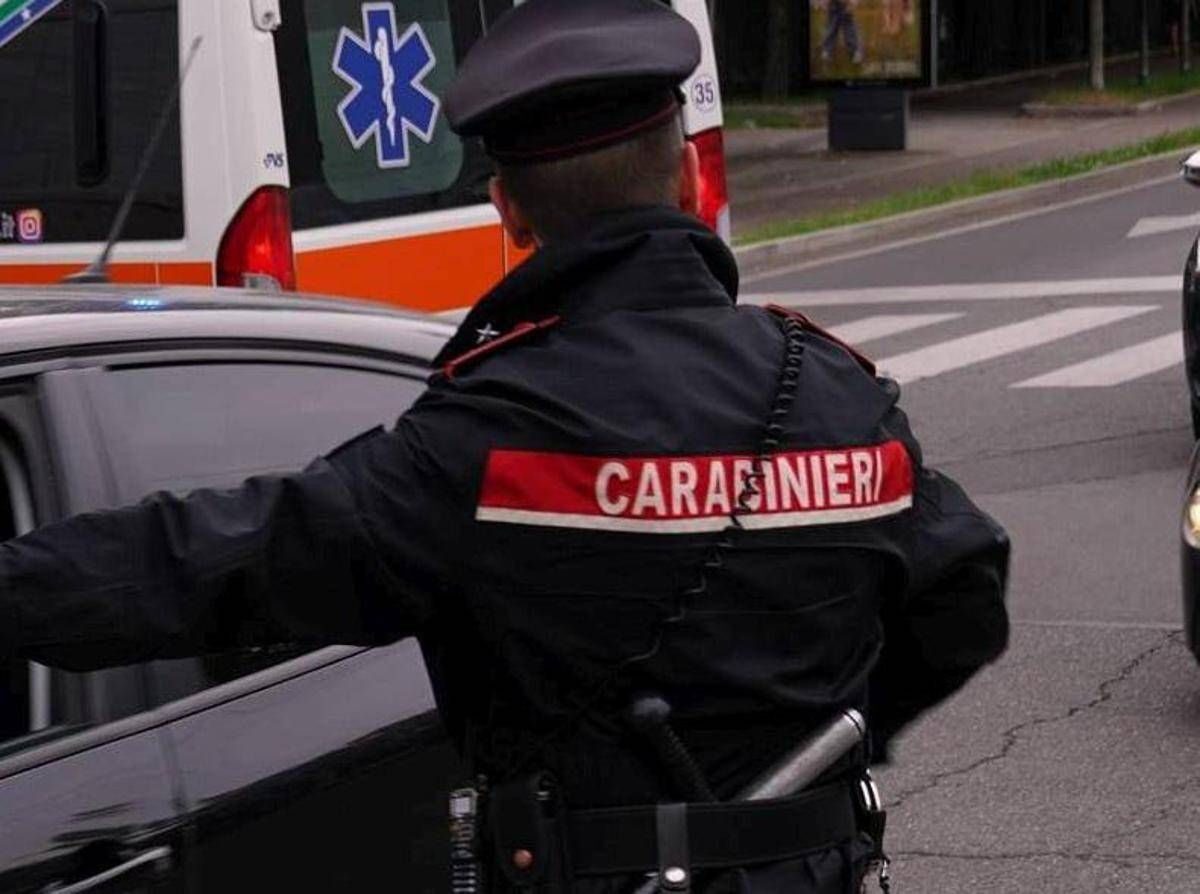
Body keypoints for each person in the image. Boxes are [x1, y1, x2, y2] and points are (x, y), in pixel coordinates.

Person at [0, 0, 1008, 891]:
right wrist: (821, 753)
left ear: (510, 211)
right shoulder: (838, 394)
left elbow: (220, 561)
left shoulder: (482, 444)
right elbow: (964, 594)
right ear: (687, 174)